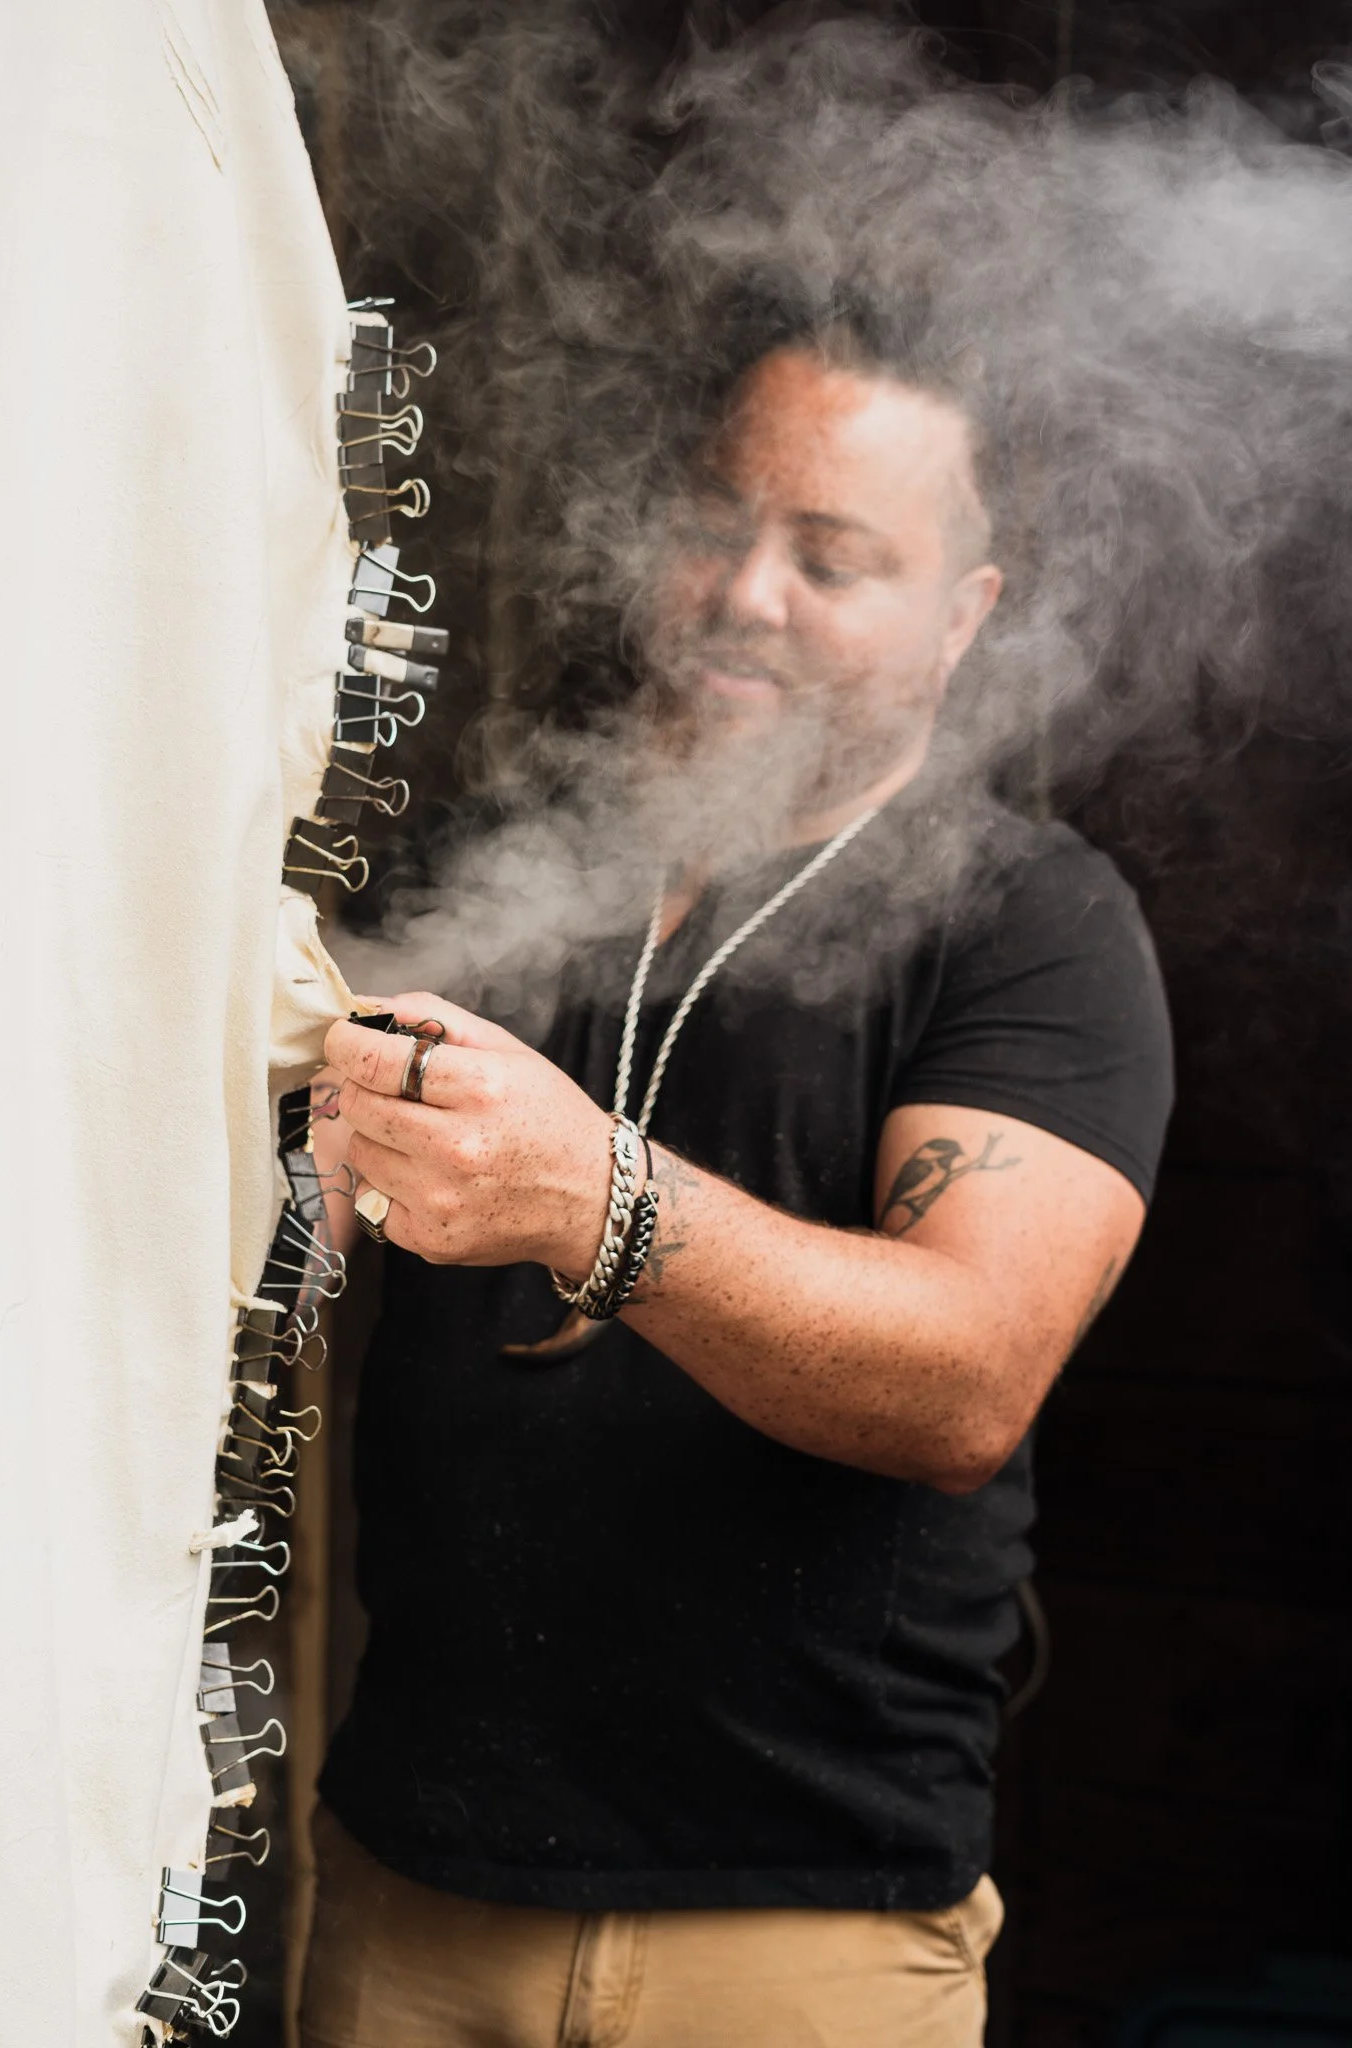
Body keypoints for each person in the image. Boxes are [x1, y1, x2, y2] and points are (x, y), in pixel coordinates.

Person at [298, 316, 1173, 2048]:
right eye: (715, 521)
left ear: (962, 617)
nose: (743, 593)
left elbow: (967, 1374)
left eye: (832, 560)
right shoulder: (499, 864)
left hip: (799, 1928)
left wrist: (596, 1202)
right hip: (406, 1890)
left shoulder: (1031, 923)